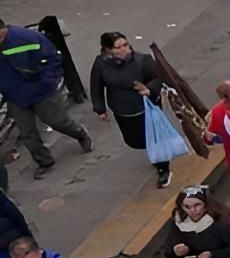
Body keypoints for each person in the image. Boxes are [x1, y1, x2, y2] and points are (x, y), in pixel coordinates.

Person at [0, 15, 94, 178]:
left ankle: (80, 134)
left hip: (40, 91)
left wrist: (47, 81)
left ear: (3, 29)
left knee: (57, 121)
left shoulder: (28, 38)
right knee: (27, 133)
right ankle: (44, 161)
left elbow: (53, 58)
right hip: (15, 96)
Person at [88, 32, 171, 186]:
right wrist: (100, 108)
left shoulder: (142, 60)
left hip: (146, 107)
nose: (124, 49)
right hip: (122, 109)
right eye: (118, 47)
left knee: (153, 139)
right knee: (134, 141)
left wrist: (149, 89)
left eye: (125, 45)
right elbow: (96, 85)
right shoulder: (101, 63)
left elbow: (159, 77)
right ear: (108, 50)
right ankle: (157, 152)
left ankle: (163, 167)